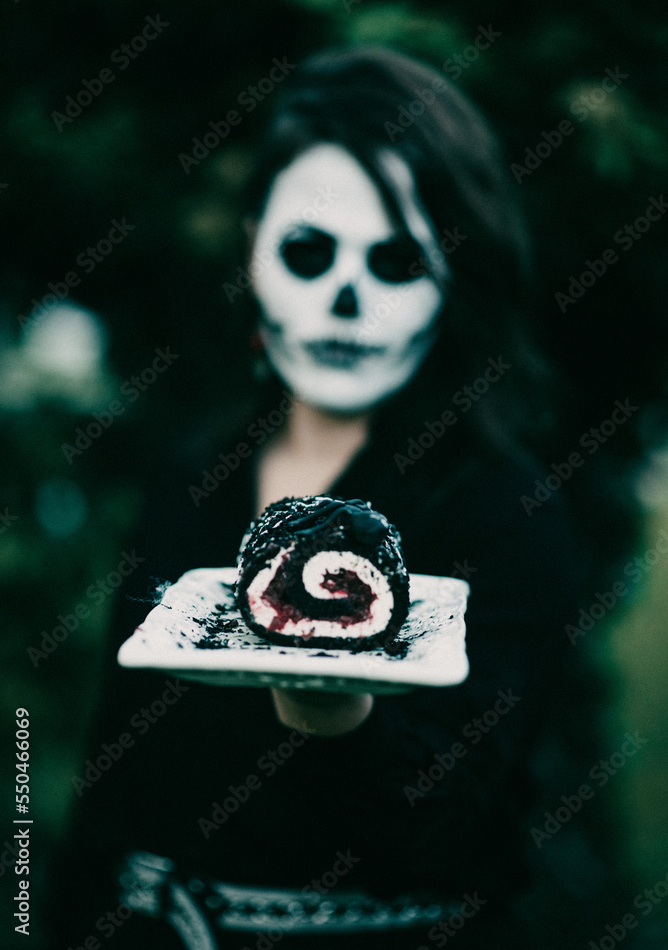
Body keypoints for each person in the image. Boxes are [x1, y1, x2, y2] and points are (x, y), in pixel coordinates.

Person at [48, 46, 589, 949]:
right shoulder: (194, 472)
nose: (345, 300)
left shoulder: (507, 513)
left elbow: (453, 826)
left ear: (457, 284)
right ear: (254, 245)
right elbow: (116, 772)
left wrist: (338, 712)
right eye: (307, 250)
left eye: (396, 261)